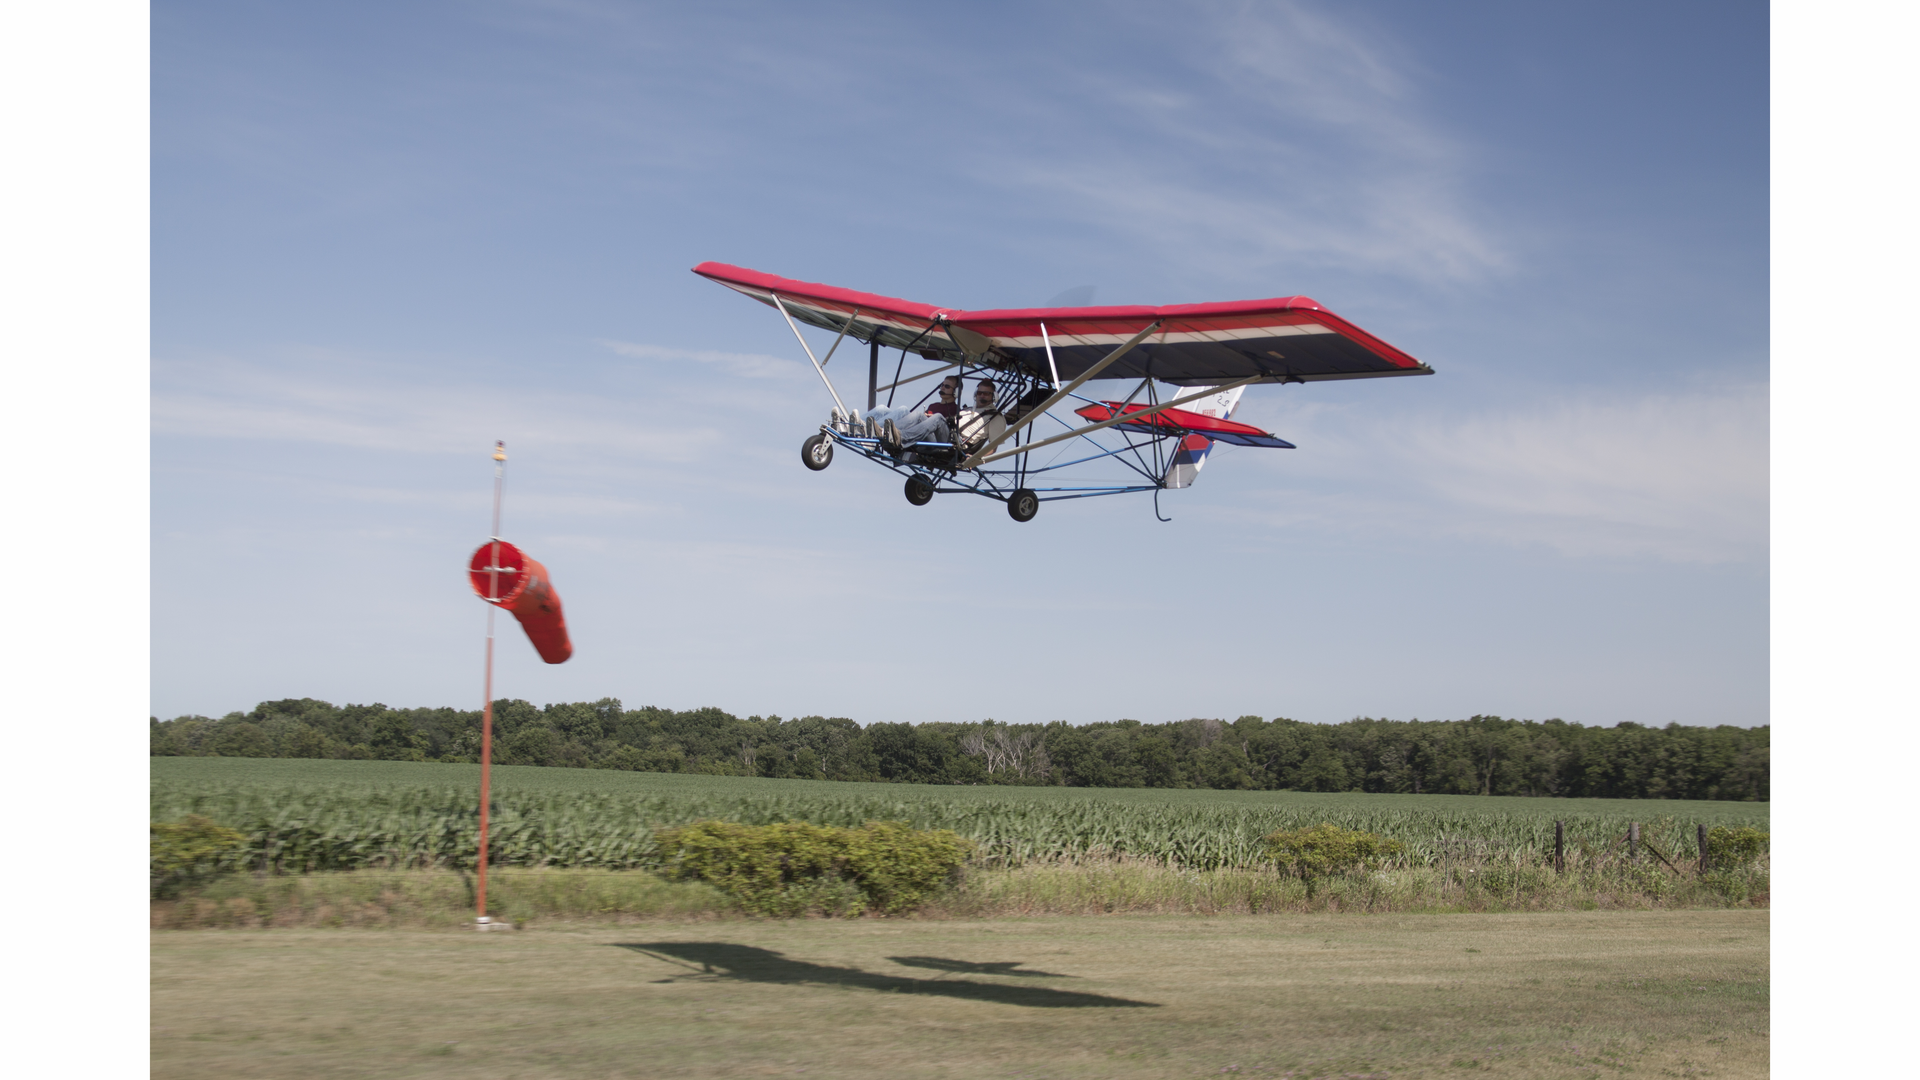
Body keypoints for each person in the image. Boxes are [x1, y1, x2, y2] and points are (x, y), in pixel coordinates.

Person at [872, 376, 961, 451]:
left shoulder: (956, 409)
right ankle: (869, 428)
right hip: (924, 437)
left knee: (924, 416)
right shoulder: (933, 406)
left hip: (939, 442)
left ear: (956, 391)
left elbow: (951, 429)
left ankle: (895, 434)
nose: (943, 388)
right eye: (942, 385)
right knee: (885, 409)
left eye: (947, 386)